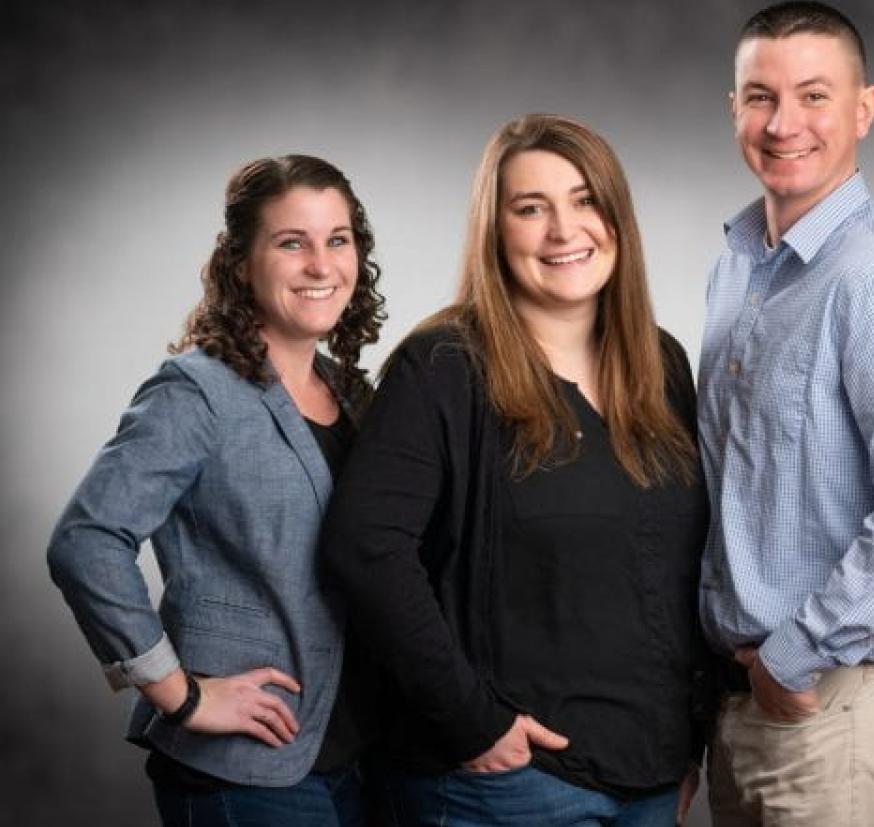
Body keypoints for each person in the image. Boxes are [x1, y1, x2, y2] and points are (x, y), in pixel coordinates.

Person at [319, 113, 712, 827]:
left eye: (585, 200)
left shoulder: (663, 365)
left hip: (650, 778)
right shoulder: (444, 367)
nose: (565, 230)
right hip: (505, 787)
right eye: (531, 208)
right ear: (495, 231)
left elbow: (677, 569)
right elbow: (365, 547)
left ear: (616, 217)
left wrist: (690, 736)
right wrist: (473, 721)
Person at [697, 3, 874, 824]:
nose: (784, 123)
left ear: (865, 109)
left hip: (838, 706)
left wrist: (791, 657)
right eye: (761, 97)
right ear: (734, 110)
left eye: (815, 96)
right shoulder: (737, 267)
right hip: (751, 704)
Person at [47, 155, 387, 825]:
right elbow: (85, 540)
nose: (322, 265)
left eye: (338, 239)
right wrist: (181, 693)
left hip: (359, 754)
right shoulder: (196, 390)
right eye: (293, 242)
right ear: (241, 262)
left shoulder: (351, 393)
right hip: (246, 769)